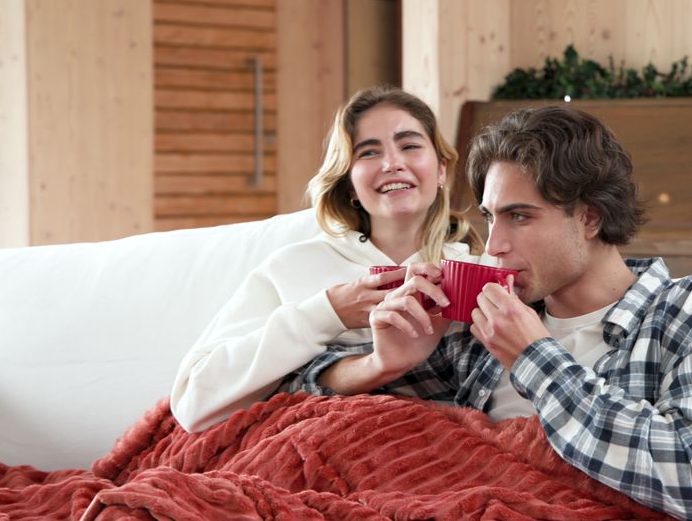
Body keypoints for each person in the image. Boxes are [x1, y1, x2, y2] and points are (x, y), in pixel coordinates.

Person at [286, 106, 692, 521]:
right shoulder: (488, 320)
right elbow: (301, 396)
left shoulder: (688, 308)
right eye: (490, 218)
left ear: (589, 218)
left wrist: (533, 357)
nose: (494, 246)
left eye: (520, 217)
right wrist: (383, 363)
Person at [170, 86, 481, 433]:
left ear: (441, 170)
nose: (392, 163)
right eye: (368, 152)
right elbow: (192, 402)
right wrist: (328, 312)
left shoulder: (479, 273)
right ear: (349, 185)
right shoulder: (292, 268)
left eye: (409, 145)